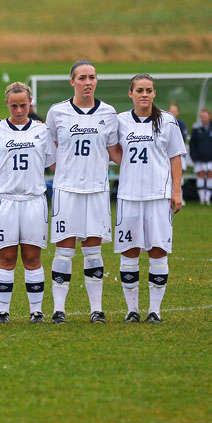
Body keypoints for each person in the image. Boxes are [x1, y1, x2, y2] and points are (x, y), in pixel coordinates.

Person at [45, 60, 119, 324]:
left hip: (97, 190)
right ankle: (58, 310)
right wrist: (65, 171)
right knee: (64, 250)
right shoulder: (57, 112)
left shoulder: (109, 113)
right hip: (67, 190)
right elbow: (50, 149)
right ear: (72, 82)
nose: (88, 82)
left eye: (92, 77)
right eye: (82, 77)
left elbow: (114, 152)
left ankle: (96, 309)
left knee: (93, 250)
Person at [109, 74, 185, 323]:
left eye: (149, 90)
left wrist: (176, 191)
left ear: (154, 94)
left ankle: (155, 310)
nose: (144, 94)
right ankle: (132, 310)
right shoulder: (120, 121)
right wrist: (129, 166)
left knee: (158, 250)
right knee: (129, 252)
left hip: (158, 196)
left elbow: (175, 157)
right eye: (139, 90)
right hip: (129, 197)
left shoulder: (168, 121)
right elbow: (114, 150)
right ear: (130, 93)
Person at [0, 82, 55, 323]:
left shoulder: (42, 131)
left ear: (30, 103)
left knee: (33, 258)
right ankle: (3, 311)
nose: (20, 110)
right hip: (5, 201)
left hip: (34, 201)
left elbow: (54, 164)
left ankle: (36, 311)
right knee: (7, 258)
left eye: (23, 105)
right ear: (7, 104)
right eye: (14, 106)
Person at [190, 107, 212, 205]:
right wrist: (193, 156)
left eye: (205, 116)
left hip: (210, 158)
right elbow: (192, 144)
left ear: (209, 116)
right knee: (201, 175)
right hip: (199, 158)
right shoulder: (196, 129)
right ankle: (202, 198)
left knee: (210, 176)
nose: (203, 118)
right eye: (201, 117)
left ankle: (207, 198)